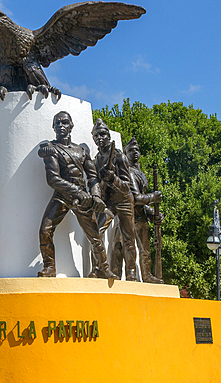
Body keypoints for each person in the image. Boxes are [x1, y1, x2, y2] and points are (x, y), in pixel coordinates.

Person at [37, 111, 115, 279]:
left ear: (71, 126)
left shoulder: (81, 150)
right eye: (57, 123)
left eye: (64, 122)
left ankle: (104, 268)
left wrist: (96, 197)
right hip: (62, 195)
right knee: (45, 230)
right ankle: (49, 267)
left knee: (95, 236)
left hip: (83, 198)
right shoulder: (51, 149)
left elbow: (92, 177)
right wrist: (78, 191)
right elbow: (53, 179)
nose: (60, 126)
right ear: (53, 127)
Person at [92, 120, 137, 281]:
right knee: (96, 232)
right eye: (96, 135)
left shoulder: (119, 157)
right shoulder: (96, 159)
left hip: (124, 200)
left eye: (103, 134)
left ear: (109, 136)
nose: (100, 138)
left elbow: (127, 186)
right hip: (108, 202)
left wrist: (112, 178)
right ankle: (98, 267)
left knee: (128, 238)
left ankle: (131, 271)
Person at [122, 137, 162, 283]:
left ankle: (147, 275)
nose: (135, 153)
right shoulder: (129, 172)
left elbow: (143, 202)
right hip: (130, 217)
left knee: (145, 250)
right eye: (131, 150)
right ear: (126, 154)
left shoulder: (140, 173)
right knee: (129, 248)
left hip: (142, 217)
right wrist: (153, 197)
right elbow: (136, 198)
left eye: (137, 150)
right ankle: (131, 275)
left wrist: (153, 212)